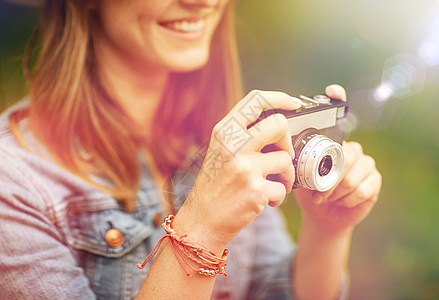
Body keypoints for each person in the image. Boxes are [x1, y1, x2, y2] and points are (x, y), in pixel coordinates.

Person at [0, 0, 382, 299]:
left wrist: (327, 232)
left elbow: (274, 292)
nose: (201, 2)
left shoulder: (224, 139)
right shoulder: (14, 180)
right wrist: (201, 229)